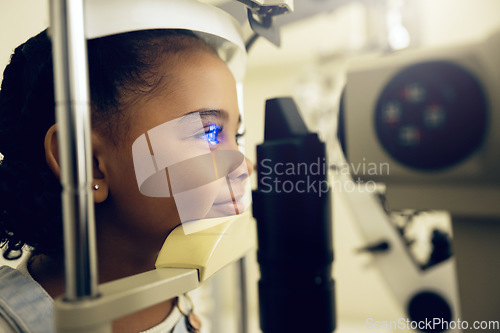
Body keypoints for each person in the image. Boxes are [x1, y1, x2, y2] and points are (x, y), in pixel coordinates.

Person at [0, 19, 252, 332]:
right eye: (208, 133)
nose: (245, 165)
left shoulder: (180, 298)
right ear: (86, 163)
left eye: (237, 135)